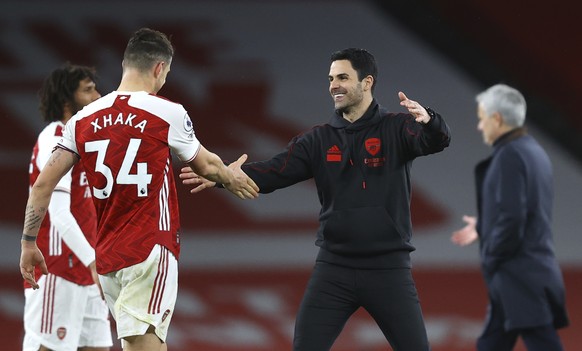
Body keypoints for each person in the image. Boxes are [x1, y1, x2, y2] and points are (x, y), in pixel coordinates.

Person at [181, 48, 451, 350]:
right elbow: (274, 172)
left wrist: (430, 120)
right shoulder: (317, 140)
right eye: (331, 78)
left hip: (388, 270)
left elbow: (434, 141)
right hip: (334, 270)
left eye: (343, 77)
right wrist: (223, 176)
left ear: (367, 82)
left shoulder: (397, 127)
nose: (333, 85)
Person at [20, 27, 259, 351]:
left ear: (124, 65)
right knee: (144, 345)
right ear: (160, 68)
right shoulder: (166, 111)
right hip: (149, 249)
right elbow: (207, 166)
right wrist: (232, 178)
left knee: (147, 342)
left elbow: (42, 186)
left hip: (107, 259)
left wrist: (28, 242)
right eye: (167, 72)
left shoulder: (82, 120)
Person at [451, 84, 569, 350]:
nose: (480, 127)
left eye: (482, 118)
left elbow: (513, 218)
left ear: (497, 118)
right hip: (525, 272)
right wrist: (483, 225)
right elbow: (526, 212)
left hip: (519, 275)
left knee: (542, 341)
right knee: (491, 344)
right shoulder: (533, 151)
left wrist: (492, 254)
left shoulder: (510, 156)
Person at [23, 63, 113, 351]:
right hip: (57, 270)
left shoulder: (84, 139)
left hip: (87, 272)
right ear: (66, 101)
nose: (98, 96)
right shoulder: (55, 137)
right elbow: (59, 212)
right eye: (88, 91)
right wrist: (93, 260)